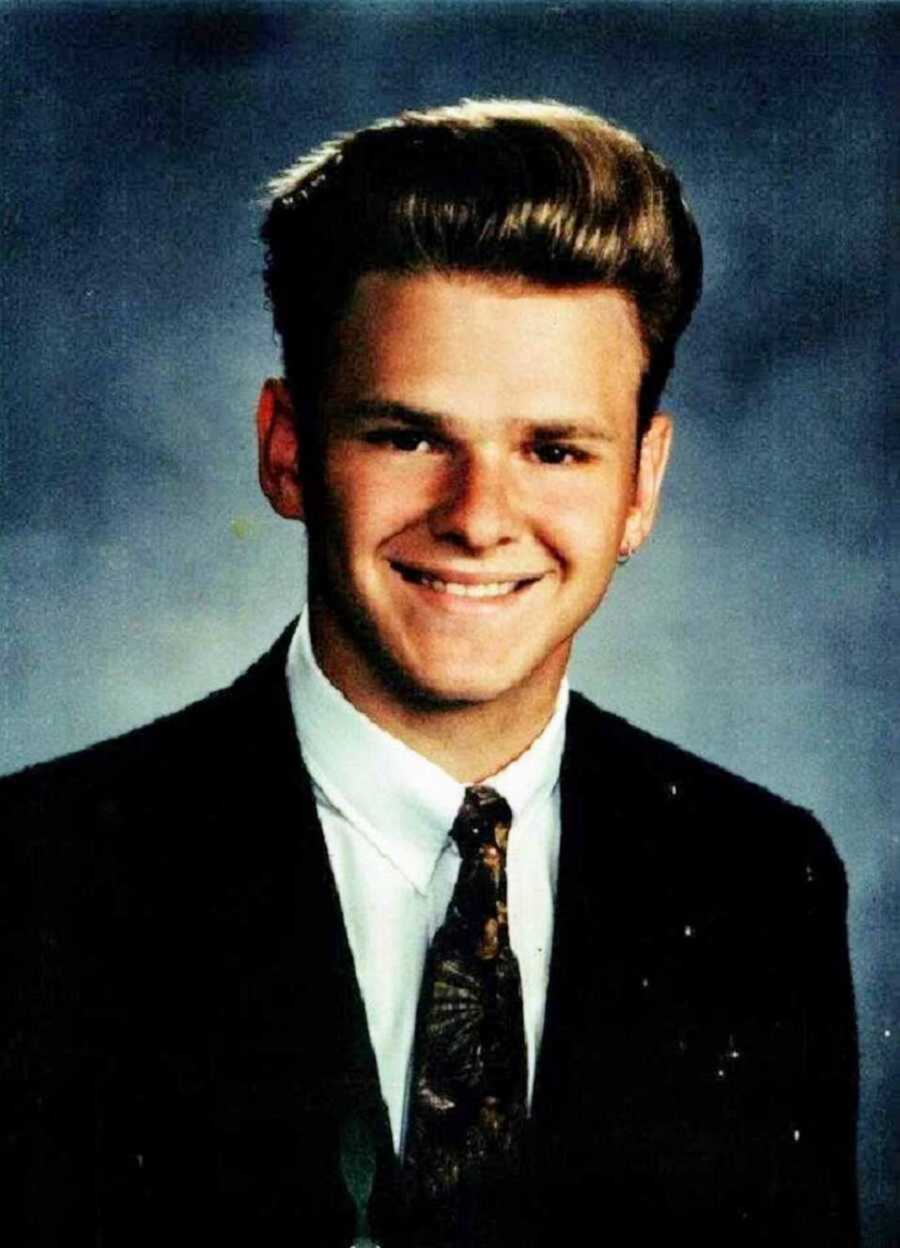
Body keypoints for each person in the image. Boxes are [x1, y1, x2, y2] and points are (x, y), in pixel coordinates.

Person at [2, 100, 858, 1246]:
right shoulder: (37, 875)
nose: (480, 519)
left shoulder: (760, 882)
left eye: (554, 450)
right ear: (288, 451)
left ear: (641, 486)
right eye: (408, 437)